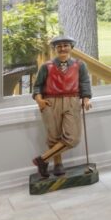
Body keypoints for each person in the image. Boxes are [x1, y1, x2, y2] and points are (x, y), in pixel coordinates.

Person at [31, 35, 92, 177]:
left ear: (71, 47)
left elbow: (84, 83)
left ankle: (43, 159)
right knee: (54, 136)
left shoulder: (79, 65)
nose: (62, 48)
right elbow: (37, 86)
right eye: (59, 46)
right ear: (55, 49)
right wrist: (39, 100)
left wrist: (86, 99)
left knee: (73, 138)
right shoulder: (46, 66)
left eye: (65, 45)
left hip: (72, 101)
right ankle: (58, 164)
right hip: (51, 102)